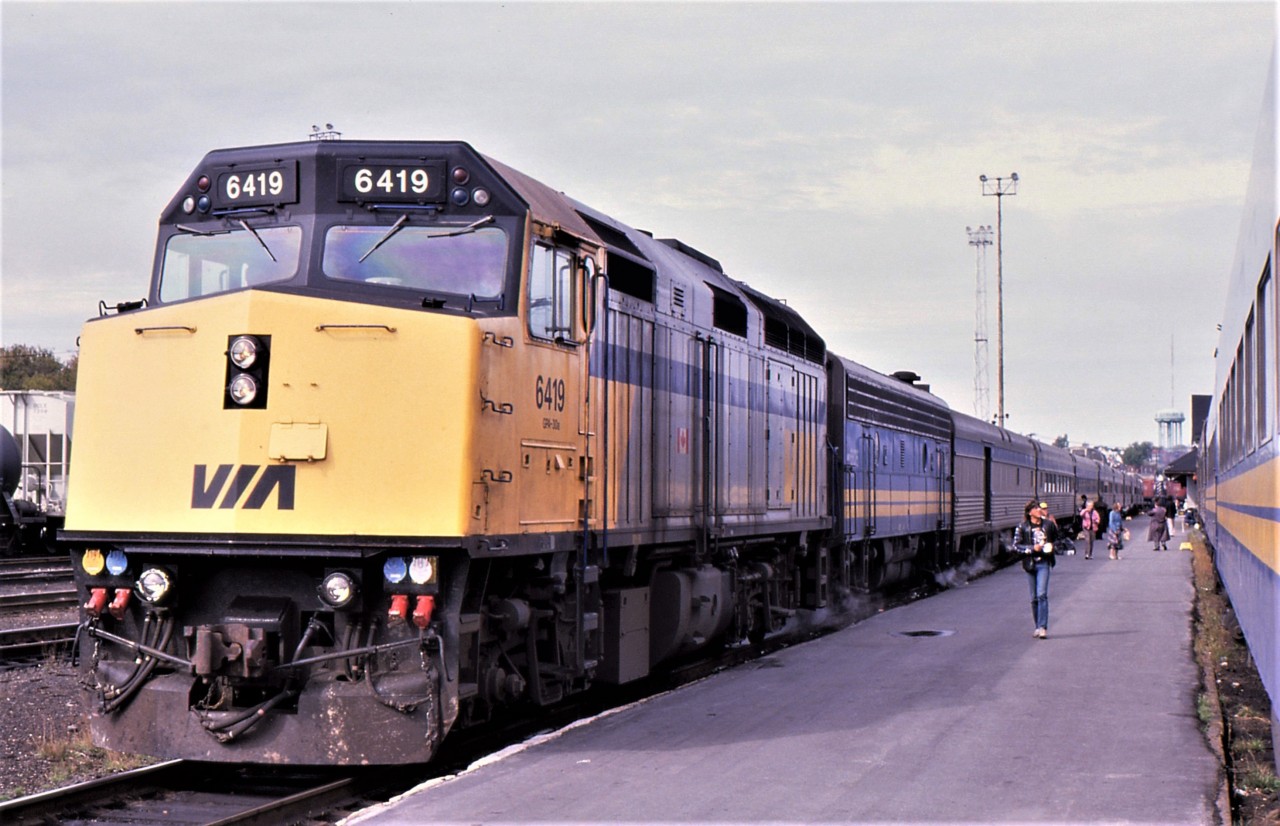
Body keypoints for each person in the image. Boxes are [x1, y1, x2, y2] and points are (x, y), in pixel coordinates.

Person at [1014, 500, 1058, 639]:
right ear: (1030, 512)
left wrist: (1051, 546)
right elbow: (1016, 546)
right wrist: (1032, 548)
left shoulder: (1048, 525)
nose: (1039, 510)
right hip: (1030, 564)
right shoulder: (1022, 527)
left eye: (1039, 507)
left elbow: (1057, 539)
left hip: (1044, 562)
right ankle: (1037, 626)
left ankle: (1043, 627)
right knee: (1033, 598)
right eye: (1036, 508)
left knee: (1041, 594)